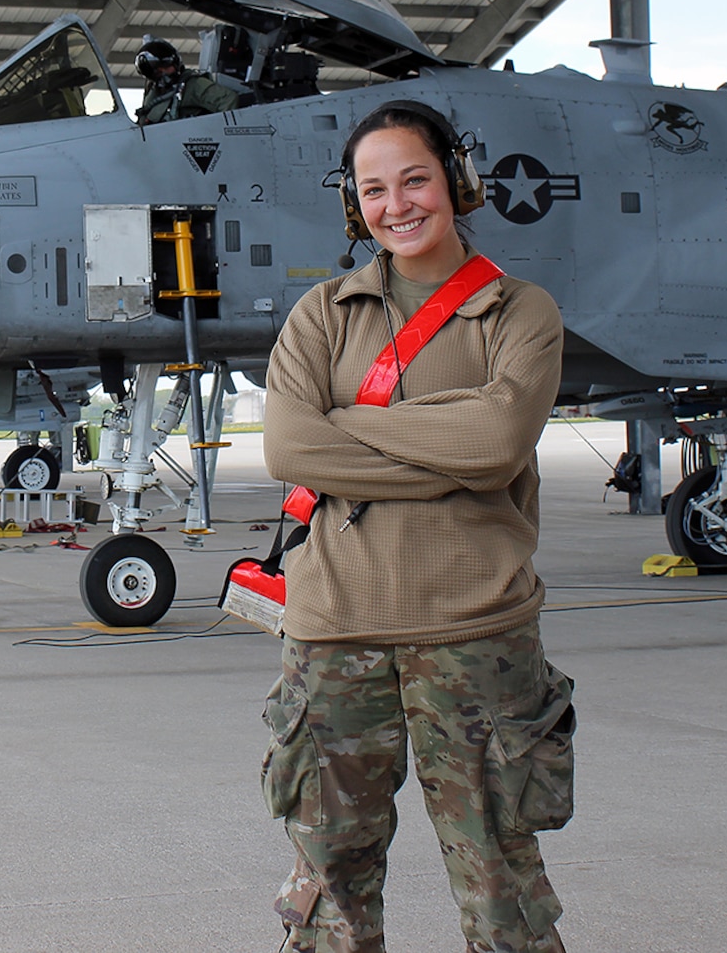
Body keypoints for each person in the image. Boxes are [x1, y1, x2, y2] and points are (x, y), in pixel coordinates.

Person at [260, 99, 572, 953]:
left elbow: (499, 440)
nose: (396, 204)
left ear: (457, 181)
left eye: (415, 179)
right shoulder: (323, 313)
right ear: (352, 205)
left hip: (475, 632)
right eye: (373, 189)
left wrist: (344, 429)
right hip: (334, 635)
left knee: (501, 885)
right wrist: (447, 450)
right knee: (329, 890)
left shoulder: (519, 312)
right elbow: (289, 444)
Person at [134, 38, 239, 124]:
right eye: (157, 73)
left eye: (164, 68)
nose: (163, 75)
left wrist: (220, 135)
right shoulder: (154, 92)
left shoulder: (193, 84)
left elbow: (227, 99)